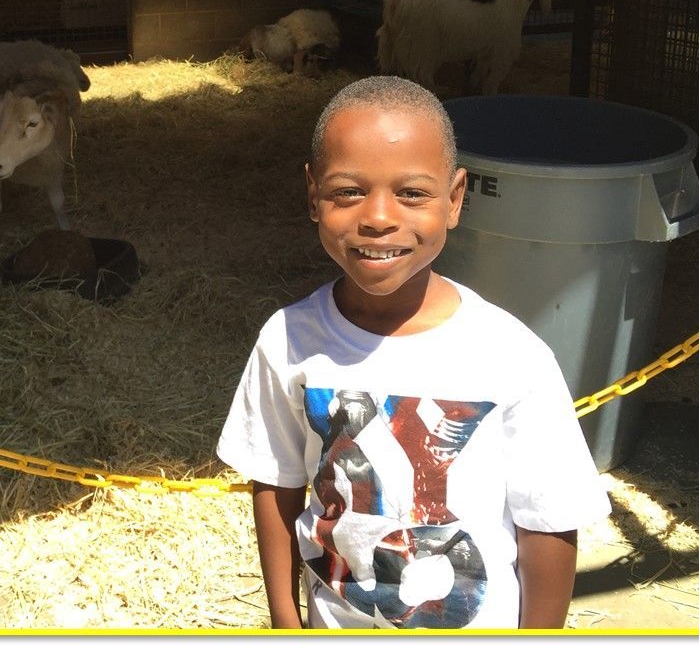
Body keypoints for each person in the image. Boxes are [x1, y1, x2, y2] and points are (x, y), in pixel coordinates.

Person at [216, 76, 611, 630]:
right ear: (312, 196)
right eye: (348, 192)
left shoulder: (512, 354)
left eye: (412, 193)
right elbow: (276, 482)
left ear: (455, 200)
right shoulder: (287, 340)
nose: (379, 217)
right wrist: (286, 620)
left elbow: (547, 520)